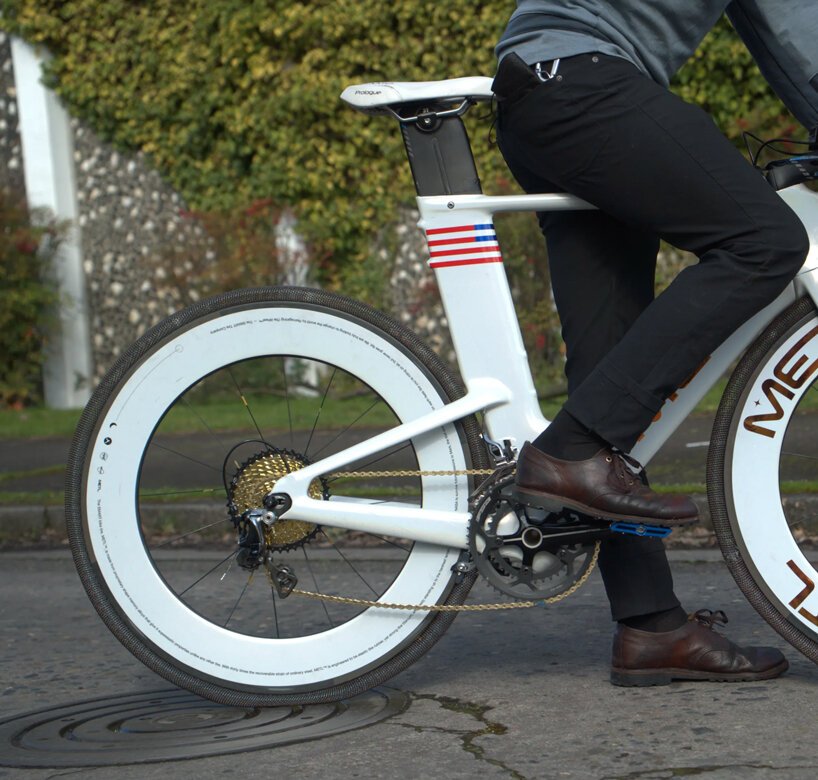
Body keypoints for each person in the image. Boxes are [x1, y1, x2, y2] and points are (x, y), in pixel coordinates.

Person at [492, 0, 818, 685]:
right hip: (581, 82)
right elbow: (794, 29)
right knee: (766, 241)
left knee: (607, 365)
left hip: (544, 95)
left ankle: (650, 626)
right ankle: (568, 451)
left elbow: (771, 27)